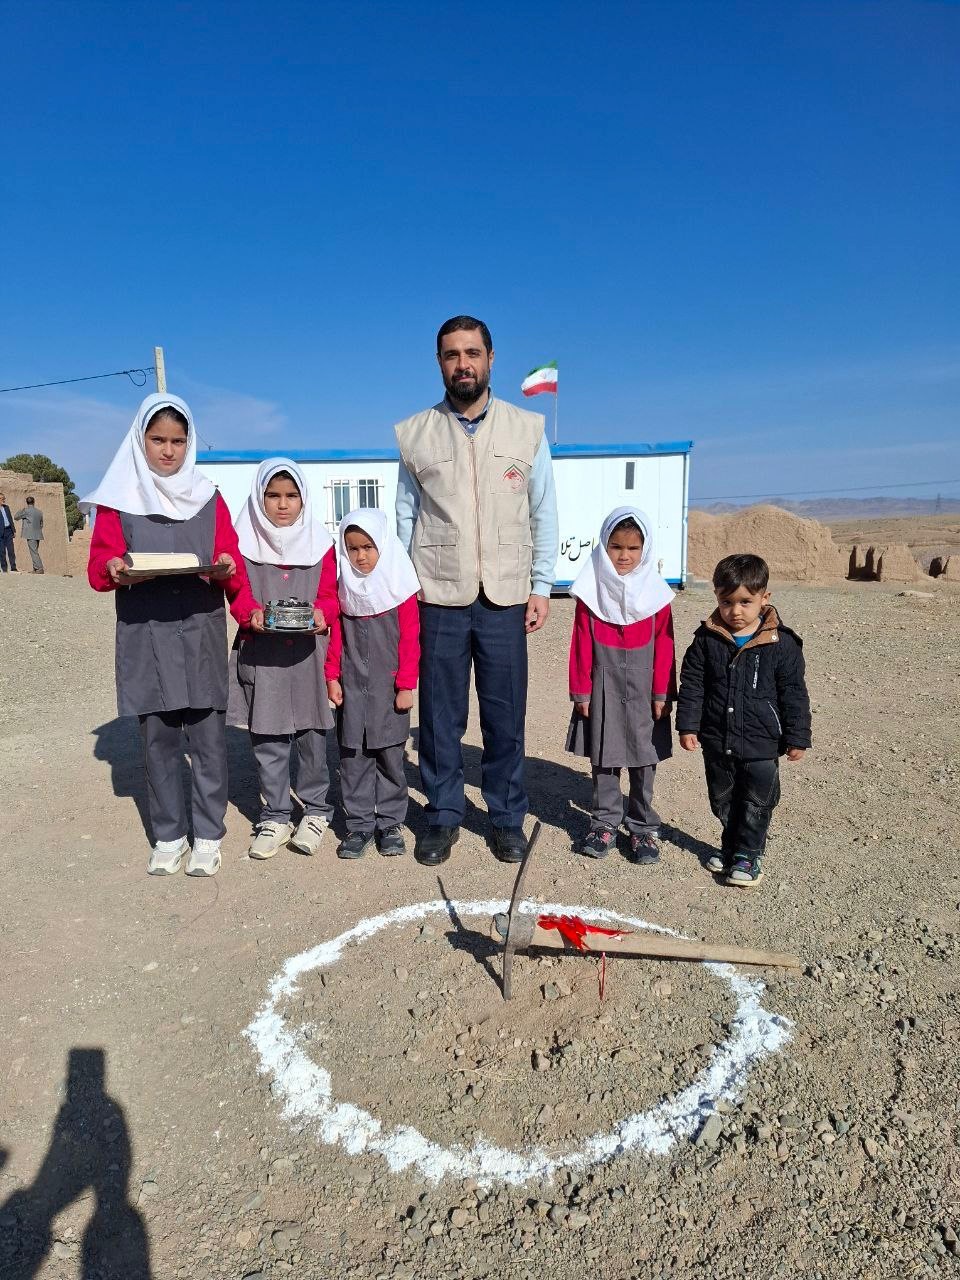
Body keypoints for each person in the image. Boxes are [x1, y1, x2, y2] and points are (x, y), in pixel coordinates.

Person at [395, 315, 559, 867]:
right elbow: (403, 516)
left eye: (472, 353)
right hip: (436, 594)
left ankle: (506, 816)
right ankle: (442, 814)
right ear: (439, 363)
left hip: (506, 596)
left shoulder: (526, 429)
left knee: (505, 712)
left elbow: (542, 513)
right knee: (441, 716)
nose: (462, 364)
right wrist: (401, 591)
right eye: (450, 355)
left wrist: (541, 585)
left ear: (491, 358)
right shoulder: (414, 433)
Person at [81, 392, 258, 878]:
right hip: (146, 634)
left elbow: (232, 564)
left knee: (207, 742)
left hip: (198, 630)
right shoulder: (118, 500)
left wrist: (224, 567)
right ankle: (168, 834)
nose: (167, 450)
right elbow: (98, 568)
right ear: (140, 441)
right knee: (157, 740)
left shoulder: (208, 497)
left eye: (178, 441)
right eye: (157, 439)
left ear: (189, 443)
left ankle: (207, 834)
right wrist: (115, 568)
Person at [676, 553, 812, 888]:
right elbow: (692, 685)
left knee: (756, 800)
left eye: (745, 602)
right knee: (723, 797)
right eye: (727, 601)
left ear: (764, 598)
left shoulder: (782, 644)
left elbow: (794, 692)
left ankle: (749, 854)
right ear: (717, 598)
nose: (735, 611)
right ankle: (731, 845)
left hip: (762, 742)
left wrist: (798, 735)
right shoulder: (706, 640)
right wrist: (688, 725)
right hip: (717, 739)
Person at [228, 458, 338, 859]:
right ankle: (275, 814)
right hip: (263, 656)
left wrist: (324, 613)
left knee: (312, 737)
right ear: (259, 499)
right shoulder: (243, 543)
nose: (282, 504)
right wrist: (249, 613)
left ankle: (316, 811)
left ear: (303, 499)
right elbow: (237, 591)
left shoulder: (321, 544)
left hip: (308, 657)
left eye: (291, 496)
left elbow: (329, 593)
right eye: (272, 496)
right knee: (269, 738)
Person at [566, 507, 676, 863]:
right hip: (604, 685)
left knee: (645, 760)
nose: (624, 555)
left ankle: (642, 827)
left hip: (645, 691)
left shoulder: (657, 596)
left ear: (645, 550)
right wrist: (580, 689)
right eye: (615, 547)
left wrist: (662, 692)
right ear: (603, 546)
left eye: (632, 548)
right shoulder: (590, 591)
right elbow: (581, 640)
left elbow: (666, 646)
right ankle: (604, 822)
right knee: (604, 758)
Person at [325, 508, 420, 859]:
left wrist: (406, 684)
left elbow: (410, 638)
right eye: (352, 549)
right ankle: (359, 825)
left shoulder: (400, 587)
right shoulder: (344, 588)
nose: (361, 556)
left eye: (368, 547)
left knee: (390, 759)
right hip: (352, 692)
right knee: (353, 760)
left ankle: (390, 824)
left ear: (383, 545)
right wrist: (331, 677)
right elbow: (336, 637)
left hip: (389, 692)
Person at [14, 495, 43, 572]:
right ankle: (35, 569)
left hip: (30, 534)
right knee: (35, 551)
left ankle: (40, 568)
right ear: (34, 502)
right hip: (38, 534)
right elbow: (41, 524)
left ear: (27, 502)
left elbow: (16, 517)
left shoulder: (26, 511)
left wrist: (22, 509)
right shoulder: (39, 512)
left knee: (33, 552)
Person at [0, 492, 16, 571]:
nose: (4, 500)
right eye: (3, 499)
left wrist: (14, 530)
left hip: (9, 531)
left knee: (11, 550)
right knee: (2, 551)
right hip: (0, 533)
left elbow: (10, 519)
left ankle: (13, 568)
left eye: (4, 498)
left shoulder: (6, 507)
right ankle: (4, 569)